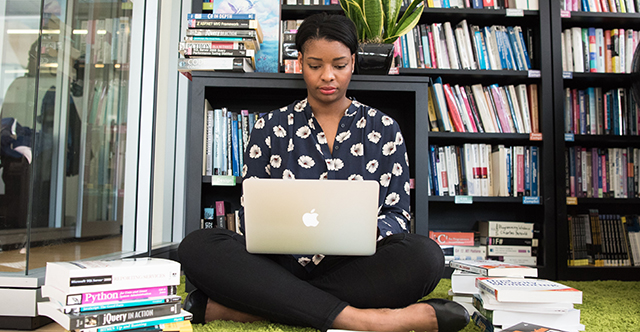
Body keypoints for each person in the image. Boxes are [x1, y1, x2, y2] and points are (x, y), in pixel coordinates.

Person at [178, 13, 469, 332]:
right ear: (299, 61)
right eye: (315, 65)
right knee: (197, 246)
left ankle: (257, 308)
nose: (327, 76)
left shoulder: (385, 129)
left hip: (355, 266)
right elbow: (253, 214)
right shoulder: (270, 127)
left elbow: (398, 214)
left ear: (354, 62)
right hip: (278, 264)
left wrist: (363, 231)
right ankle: (367, 320)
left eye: (339, 65)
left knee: (425, 256)